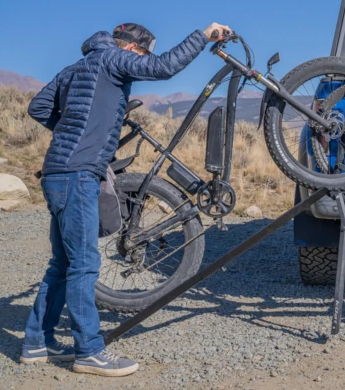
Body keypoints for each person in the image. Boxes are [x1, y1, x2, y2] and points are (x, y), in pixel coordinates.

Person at [21, 22, 231, 377]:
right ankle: (89, 352)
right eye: (142, 54)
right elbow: (163, 67)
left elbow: (38, 107)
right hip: (78, 174)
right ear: (133, 49)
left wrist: (74, 130)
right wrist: (203, 36)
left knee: (63, 263)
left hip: (58, 172)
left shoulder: (75, 67)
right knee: (84, 265)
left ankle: (37, 341)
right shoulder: (112, 59)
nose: (141, 61)